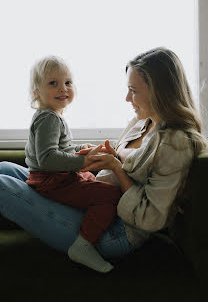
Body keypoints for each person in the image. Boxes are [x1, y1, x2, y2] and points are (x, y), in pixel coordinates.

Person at [0, 47, 207, 271]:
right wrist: (106, 154)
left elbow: (151, 218)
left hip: (114, 231)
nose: (127, 98)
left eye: (133, 90)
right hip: (94, 205)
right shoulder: (142, 123)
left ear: (160, 92)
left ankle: (83, 246)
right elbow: (126, 163)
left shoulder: (176, 143)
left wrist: (115, 167)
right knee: (5, 169)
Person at [22, 55, 122, 273]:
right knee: (111, 195)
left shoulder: (50, 116)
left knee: (92, 179)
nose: (63, 89)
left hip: (52, 177)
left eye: (68, 82)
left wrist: (80, 150)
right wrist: (83, 161)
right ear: (36, 92)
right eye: (53, 83)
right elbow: (48, 158)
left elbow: (57, 150)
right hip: (53, 180)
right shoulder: (49, 118)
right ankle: (83, 245)